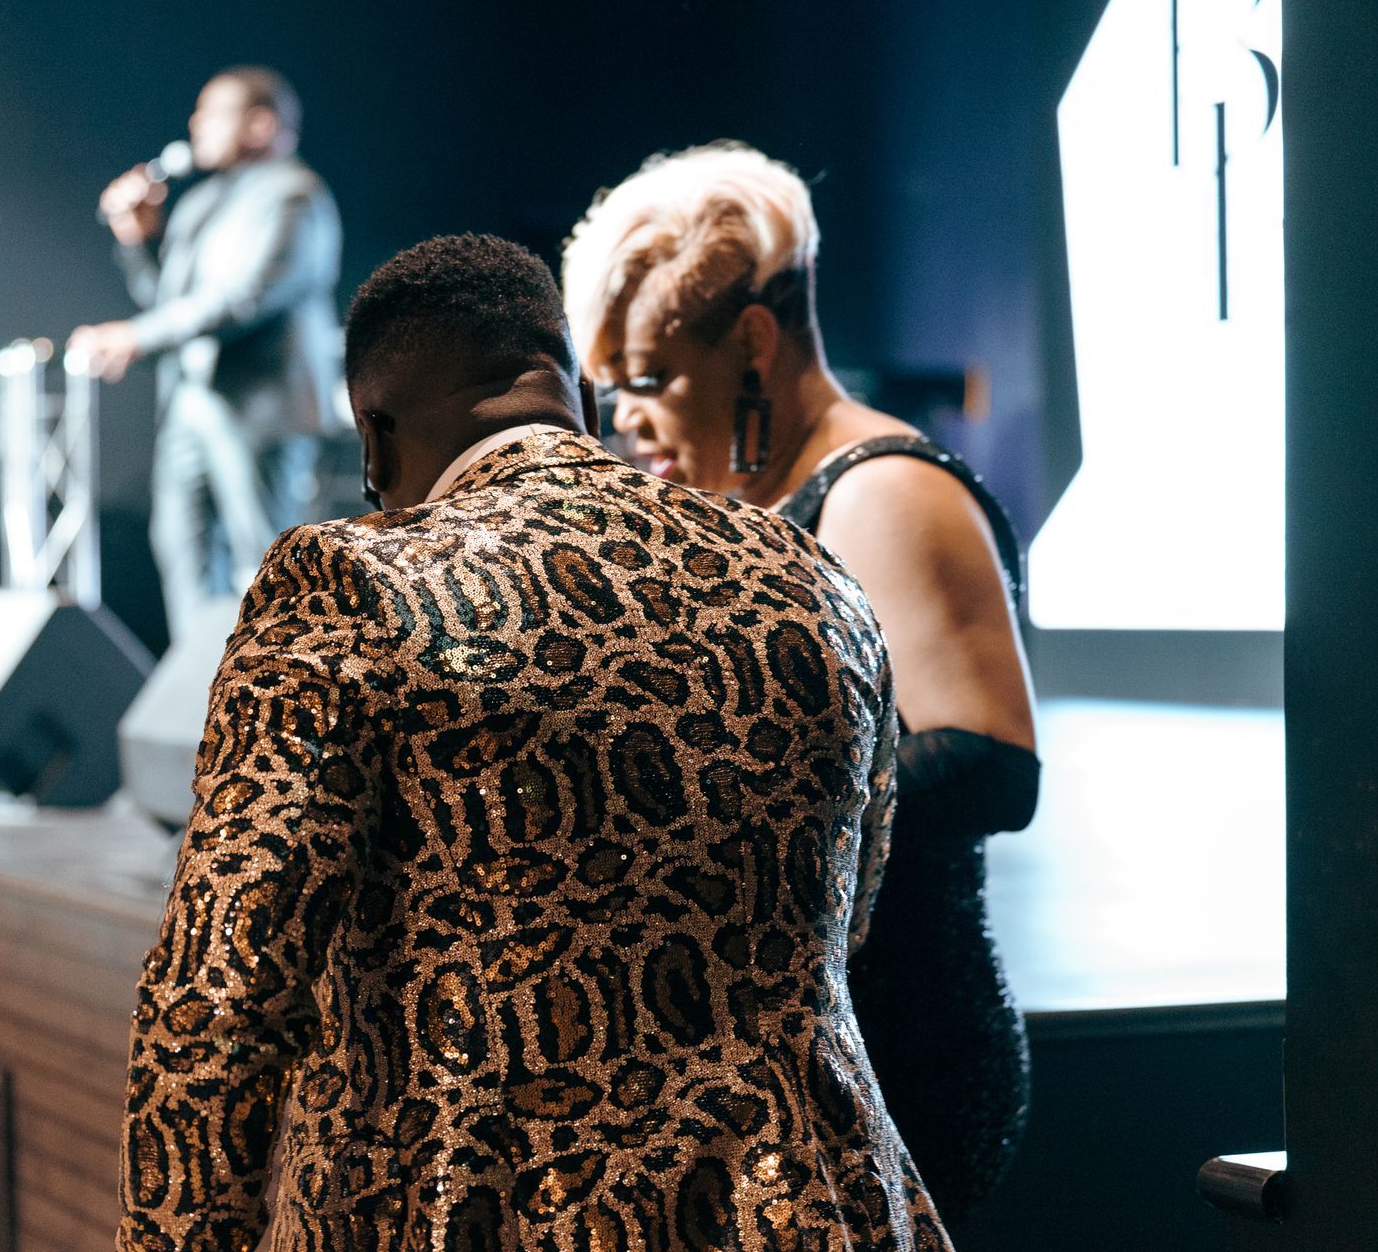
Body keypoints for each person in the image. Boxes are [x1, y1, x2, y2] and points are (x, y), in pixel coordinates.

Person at [116, 233, 948, 1251]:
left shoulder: (346, 585)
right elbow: (850, 911)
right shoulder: (806, 575)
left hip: (473, 1203)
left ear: (371, 440)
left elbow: (217, 1006)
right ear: (583, 405)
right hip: (808, 1206)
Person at [563, 142, 1041, 1222]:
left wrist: (693, 807)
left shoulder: (882, 490)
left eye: (653, 377)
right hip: (807, 1060)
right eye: (611, 391)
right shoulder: (748, 496)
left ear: (755, 341)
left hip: (902, 1052)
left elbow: (989, 760)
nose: (628, 420)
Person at [69, 66, 342, 638]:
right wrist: (138, 241)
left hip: (260, 410)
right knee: (181, 546)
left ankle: (283, 698)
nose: (195, 125)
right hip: (190, 406)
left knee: (269, 556)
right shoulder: (201, 205)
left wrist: (135, 338)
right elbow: (166, 301)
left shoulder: (295, 196)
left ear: (261, 123)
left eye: (212, 113)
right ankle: (198, 699)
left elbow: (244, 299)